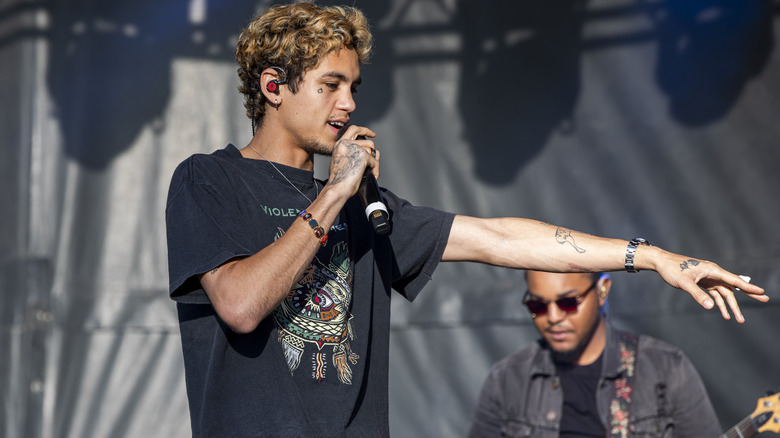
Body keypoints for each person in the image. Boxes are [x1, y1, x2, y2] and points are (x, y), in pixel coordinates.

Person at [164, 3, 766, 436]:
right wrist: (334, 194)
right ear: (274, 86)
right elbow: (240, 306)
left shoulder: (364, 207)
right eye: (331, 85)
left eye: (354, 86)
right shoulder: (207, 180)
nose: (349, 104)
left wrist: (654, 256)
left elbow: (501, 237)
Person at [468, 271, 722, 437]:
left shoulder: (666, 369)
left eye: (568, 302)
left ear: (602, 290)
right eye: (538, 305)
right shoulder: (507, 378)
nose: (554, 317)